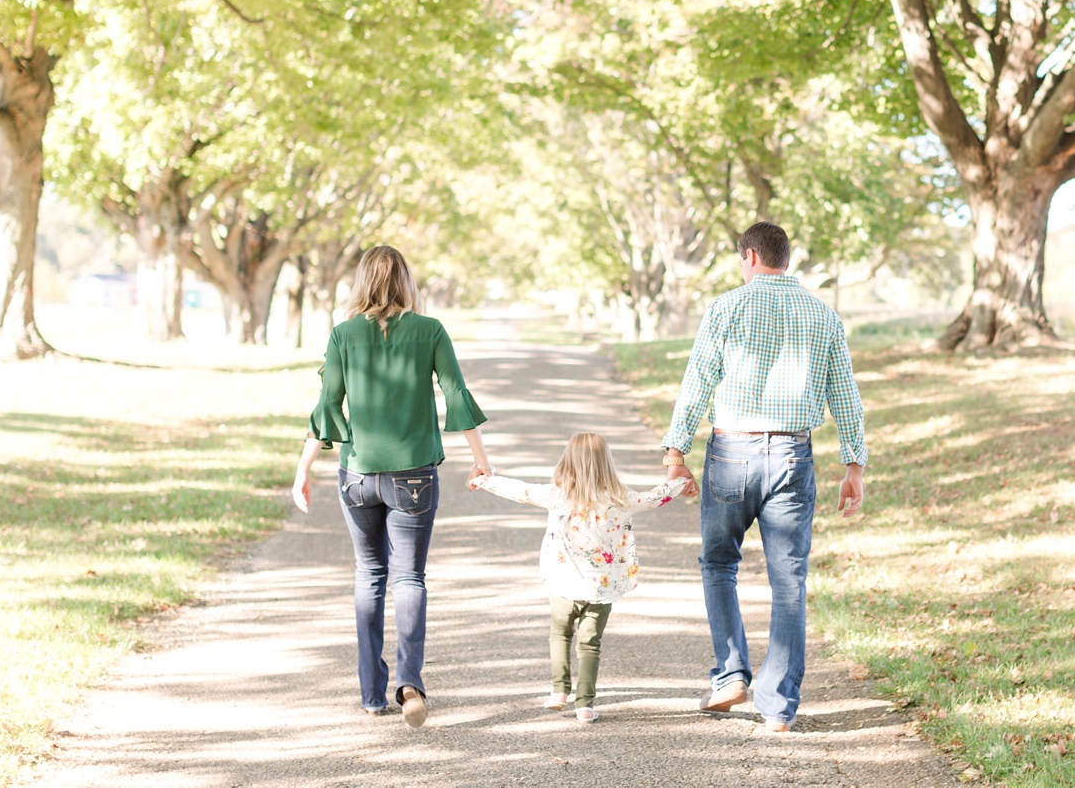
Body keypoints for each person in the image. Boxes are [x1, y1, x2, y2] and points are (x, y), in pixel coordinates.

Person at [661, 221, 868, 733]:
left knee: (718, 564)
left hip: (731, 450)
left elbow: (699, 378)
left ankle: (731, 675)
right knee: (788, 580)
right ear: (786, 259)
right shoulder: (823, 315)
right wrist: (854, 464)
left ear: (750, 256)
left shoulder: (727, 307)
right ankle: (778, 707)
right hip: (793, 456)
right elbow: (845, 393)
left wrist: (676, 450)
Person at [291, 245, 490, 728]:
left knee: (369, 574)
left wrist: (302, 471)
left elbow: (327, 406)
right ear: (406, 281)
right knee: (409, 578)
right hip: (414, 476)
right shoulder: (430, 330)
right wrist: (481, 461)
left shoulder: (343, 334)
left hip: (357, 475)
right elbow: (456, 393)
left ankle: (370, 694)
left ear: (362, 281)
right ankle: (410, 684)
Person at [469, 432, 685, 723]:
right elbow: (656, 497)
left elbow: (520, 490)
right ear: (606, 464)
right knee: (589, 645)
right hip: (601, 588)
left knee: (559, 635)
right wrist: (682, 481)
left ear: (567, 462)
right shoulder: (621, 499)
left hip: (563, 585)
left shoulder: (557, 496)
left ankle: (559, 692)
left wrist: (484, 479)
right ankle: (584, 705)